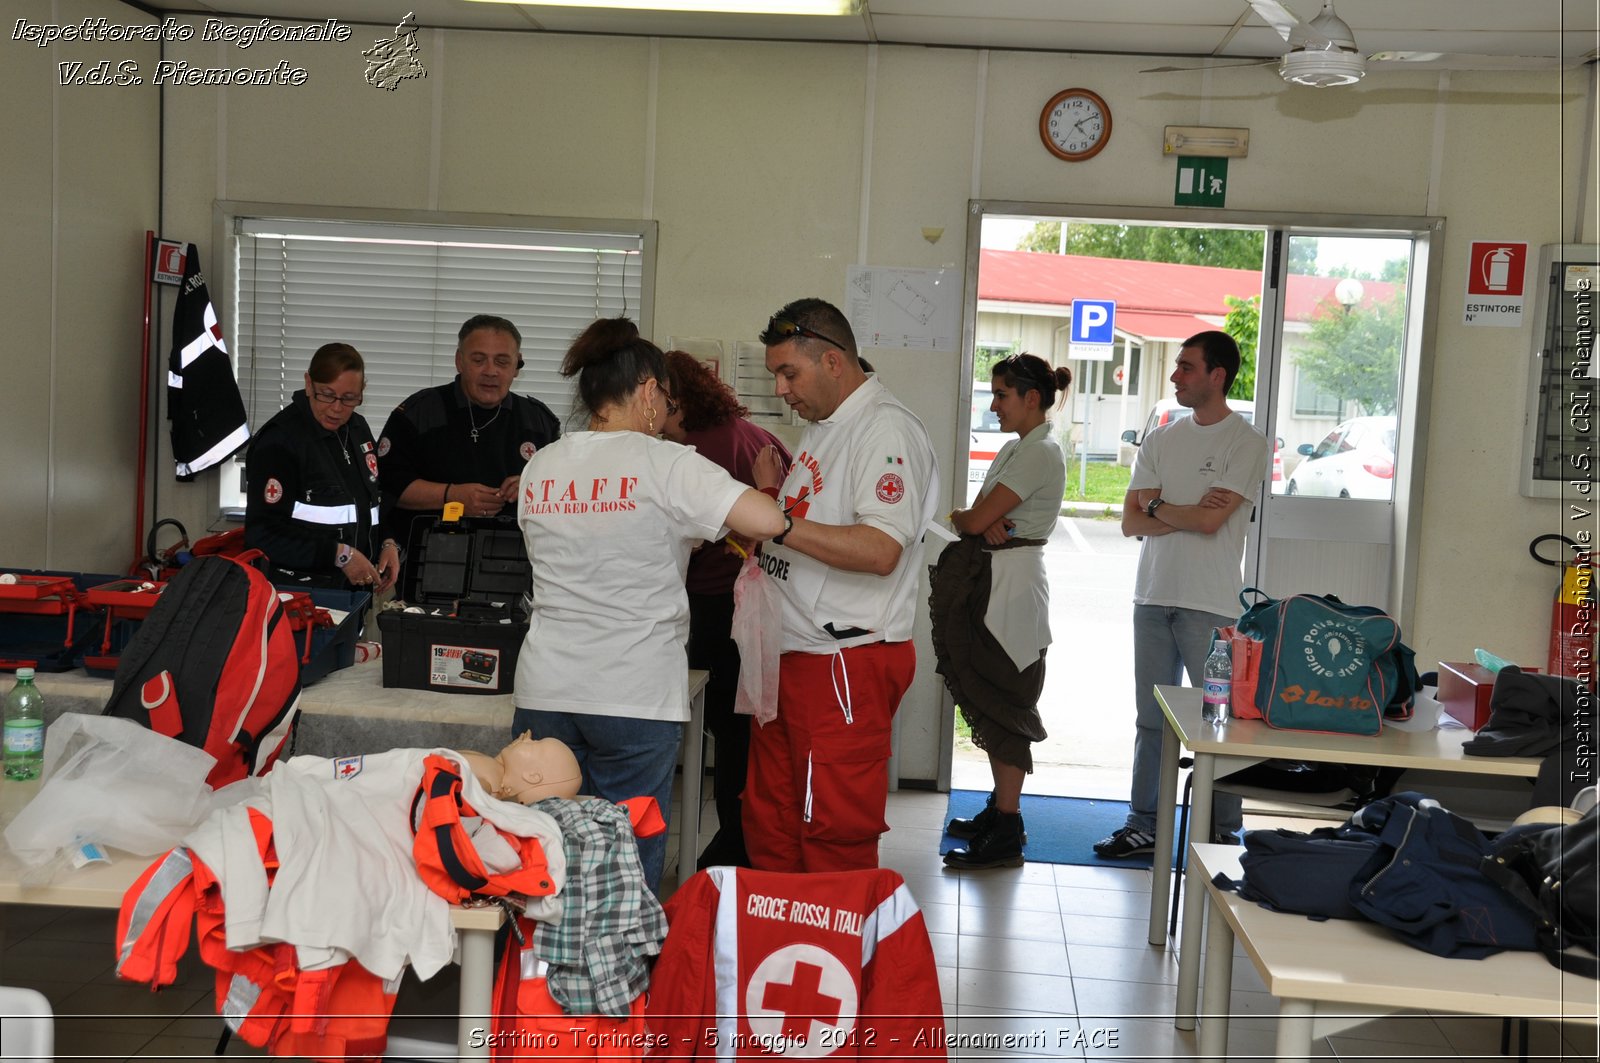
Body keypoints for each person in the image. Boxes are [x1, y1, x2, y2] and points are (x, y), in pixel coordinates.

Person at [511, 318, 785, 892]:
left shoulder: (543, 465)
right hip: (633, 693)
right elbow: (768, 521)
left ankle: (540, 975)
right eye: (664, 393)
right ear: (644, 389)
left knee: (542, 853)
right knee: (625, 859)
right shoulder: (667, 464)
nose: (665, 406)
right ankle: (622, 976)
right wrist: (759, 492)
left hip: (547, 685)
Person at [743, 298, 939, 873]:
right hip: (790, 655)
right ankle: (777, 953)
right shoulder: (823, 427)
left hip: (842, 661)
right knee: (773, 822)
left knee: (832, 832)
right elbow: (807, 525)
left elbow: (880, 550)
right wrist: (775, 501)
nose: (781, 390)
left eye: (788, 373)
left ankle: (832, 960)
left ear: (832, 362)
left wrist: (777, 520)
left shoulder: (885, 429)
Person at [1094, 330, 1269, 859]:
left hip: (1210, 603)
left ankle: (1222, 830)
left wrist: (1158, 508)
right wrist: (1178, 512)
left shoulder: (1246, 442)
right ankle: (1143, 823)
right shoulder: (1162, 439)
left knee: (1222, 721)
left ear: (1218, 376)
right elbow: (1129, 522)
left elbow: (1213, 522)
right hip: (1152, 597)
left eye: (1187, 368)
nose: (1175, 377)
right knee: (1151, 720)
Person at [933, 354, 1071, 870]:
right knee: (989, 695)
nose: (993, 407)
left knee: (1007, 698)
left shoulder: (1040, 453)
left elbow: (974, 516)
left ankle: (1008, 827)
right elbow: (976, 517)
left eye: (1001, 396)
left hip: (1012, 588)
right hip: (998, 580)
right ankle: (1000, 809)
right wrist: (975, 519)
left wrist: (974, 519)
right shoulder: (1020, 448)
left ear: (1031, 398)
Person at [659, 350, 792, 870]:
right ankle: (739, 839)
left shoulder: (696, 450)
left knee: (724, 729)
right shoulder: (746, 432)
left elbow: (690, 536)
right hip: (756, 603)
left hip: (717, 603)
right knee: (741, 729)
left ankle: (733, 844)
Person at [377, 315, 561, 589]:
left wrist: (532, 487)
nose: (491, 371)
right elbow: (386, 488)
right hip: (428, 571)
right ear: (459, 361)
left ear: (516, 366)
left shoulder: (538, 422)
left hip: (515, 573)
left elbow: (563, 497)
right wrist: (452, 496)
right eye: (478, 360)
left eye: (502, 361)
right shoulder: (418, 414)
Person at [245, 343, 399, 593]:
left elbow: (372, 501)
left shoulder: (358, 429)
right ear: (309, 384)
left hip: (353, 590)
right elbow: (262, 535)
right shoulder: (281, 441)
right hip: (298, 595)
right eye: (327, 395)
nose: (337, 408)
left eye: (349, 399)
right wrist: (339, 555)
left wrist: (387, 543)